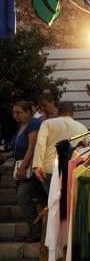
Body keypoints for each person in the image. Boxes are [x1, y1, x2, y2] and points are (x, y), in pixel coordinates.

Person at [32, 101, 88, 195]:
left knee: (52, 200)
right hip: (72, 168)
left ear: (58, 111)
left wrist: (37, 165)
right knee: (68, 201)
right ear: (73, 112)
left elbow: (40, 144)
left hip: (49, 168)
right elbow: (87, 148)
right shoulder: (82, 127)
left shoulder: (47, 124)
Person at [11, 101, 44, 242]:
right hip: (20, 166)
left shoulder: (34, 124)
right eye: (14, 112)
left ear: (29, 112)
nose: (15, 115)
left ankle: (36, 231)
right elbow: (16, 147)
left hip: (30, 168)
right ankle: (33, 230)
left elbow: (32, 147)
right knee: (22, 199)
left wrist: (23, 167)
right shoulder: (20, 126)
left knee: (23, 196)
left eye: (19, 112)